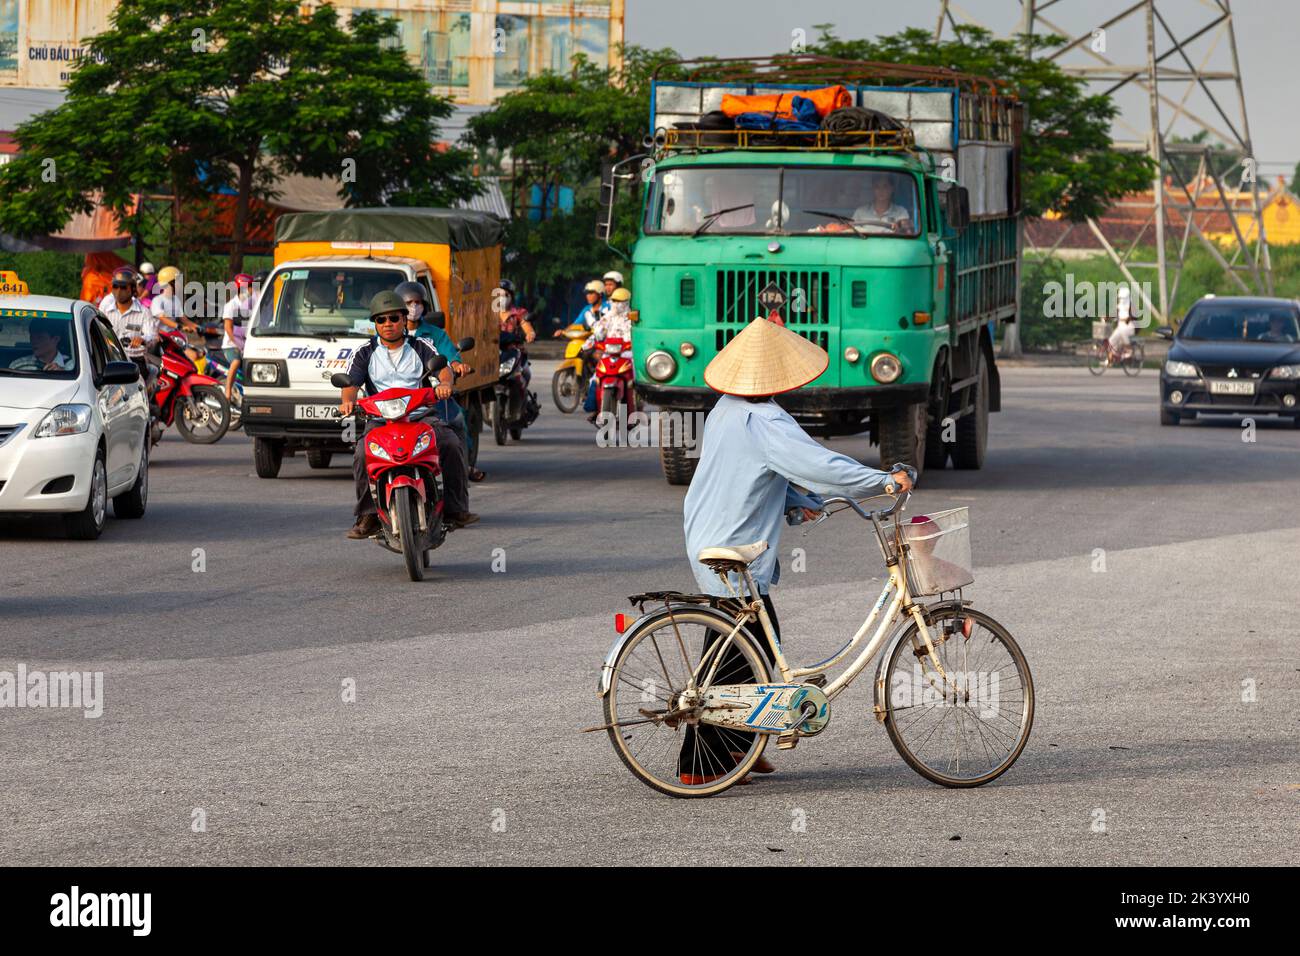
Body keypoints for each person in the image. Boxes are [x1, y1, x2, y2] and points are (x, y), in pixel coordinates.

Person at [678, 315, 913, 785]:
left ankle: (739, 748)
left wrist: (796, 504)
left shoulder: (726, 407)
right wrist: (884, 481)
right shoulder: (766, 421)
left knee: (748, 645)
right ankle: (699, 765)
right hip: (733, 544)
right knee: (738, 654)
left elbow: (752, 473)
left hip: (708, 531)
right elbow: (821, 465)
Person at [338, 291, 478, 539]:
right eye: (381, 320)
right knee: (361, 453)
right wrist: (347, 402)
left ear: (404, 320)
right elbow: (350, 384)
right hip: (380, 420)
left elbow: (443, 369)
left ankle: (457, 509)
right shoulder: (364, 352)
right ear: (375, 324)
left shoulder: (421, 346)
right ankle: (368, 515)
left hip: (420, 416)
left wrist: (445, 384)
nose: (388, 324)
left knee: (450, 443)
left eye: (393, 318)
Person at [395, 280, 485, 482]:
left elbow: (448, 358)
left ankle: (463, 467)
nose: (414, 308)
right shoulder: (387, 336)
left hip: (429, 396)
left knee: (455, 422)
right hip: (394, 401)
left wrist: (455, 367)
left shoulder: (433, 336)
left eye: (418, 303)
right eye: (409, 303)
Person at [583, 286, 634, 422]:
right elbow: (598, 332)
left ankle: (635, 409)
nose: (617, 304)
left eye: (620, 301)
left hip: (628, 354)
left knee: (637, 379)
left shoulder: (633, 317)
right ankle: (595, 409)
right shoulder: (608, 317)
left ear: (627, 302)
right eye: (614, 301)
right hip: (609, 353)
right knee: (595, 378)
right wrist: (591, 342)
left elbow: (641, 335)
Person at [101, 267, 157, 383]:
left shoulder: (144, 312)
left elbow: (152, 335)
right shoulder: (105, 311)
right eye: (115, 286)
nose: (118, 291)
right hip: (109, 360)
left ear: (132, 289)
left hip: (134, 361)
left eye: (123, 287)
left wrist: (142, 339)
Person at [220, 274, 254, 403]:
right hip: (231, 346)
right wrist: (239, 344)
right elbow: (228, 329)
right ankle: (227, 391)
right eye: (251, 286)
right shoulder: (231, 305)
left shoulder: (251, 305)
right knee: (236, 362)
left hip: (246, 344)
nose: (253, 290)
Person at [849, 173, 913, 234]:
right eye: (877, 186)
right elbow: (851, 231)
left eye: (885, 186)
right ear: (873, 189)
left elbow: (907, 233)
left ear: (891, 189)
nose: (881, 190)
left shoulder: (901, 212)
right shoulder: (860, 212)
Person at [9, 318, 74, 371]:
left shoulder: (73, 367)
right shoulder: (18, 365)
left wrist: (63, 374)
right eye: (32, 337)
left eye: (40, 337)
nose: (34, 341)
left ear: (56, 339)